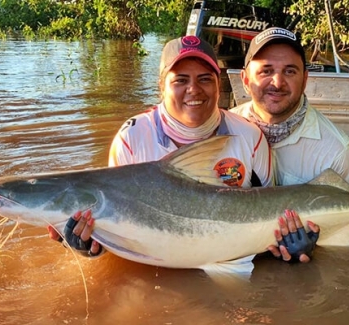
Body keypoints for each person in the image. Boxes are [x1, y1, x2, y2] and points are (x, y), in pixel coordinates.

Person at [48, 35, 277, 257]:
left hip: (234, 256)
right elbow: (117, 227)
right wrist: (89, 246)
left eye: (205, 78)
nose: (194, 89)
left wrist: (287, 242)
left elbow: (271, 208)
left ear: (219, 84)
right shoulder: (132, 139)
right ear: (161, 86)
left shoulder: (250, 136)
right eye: (180, 80)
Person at [230, 27, 349, 262]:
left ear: (305, 79)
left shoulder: (336, 150)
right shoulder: (222, 131)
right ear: (246, 80)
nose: (277, 82)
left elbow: (344, 234)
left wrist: (315, 247)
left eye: (290, 71)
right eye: (266, 71)